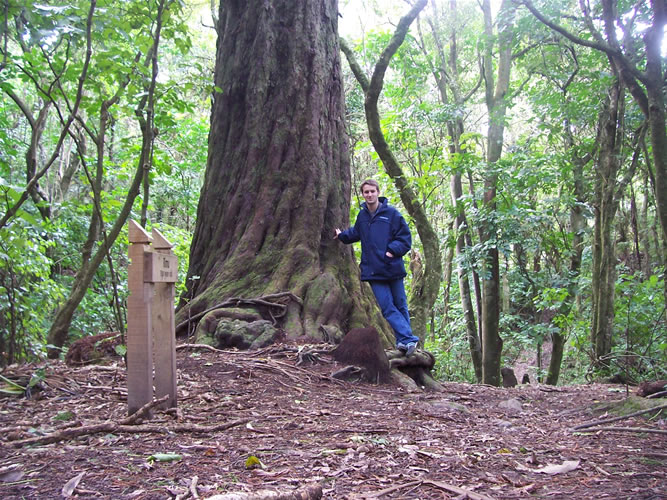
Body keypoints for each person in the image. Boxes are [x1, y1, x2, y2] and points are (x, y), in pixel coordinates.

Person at [334, 179, 420, 356]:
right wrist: (342, 235)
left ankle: (404, 341)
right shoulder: (363, 216)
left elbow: (405, 238)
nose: (370, 195)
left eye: (372, 191)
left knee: (401, 305)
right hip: (374, 271)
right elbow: (356, 233)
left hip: (392, 268)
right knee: (387, 307)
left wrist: (391, 251)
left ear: (378, 192)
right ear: (363, 194)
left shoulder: (392, 214)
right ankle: (409, 339)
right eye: (366, 192)